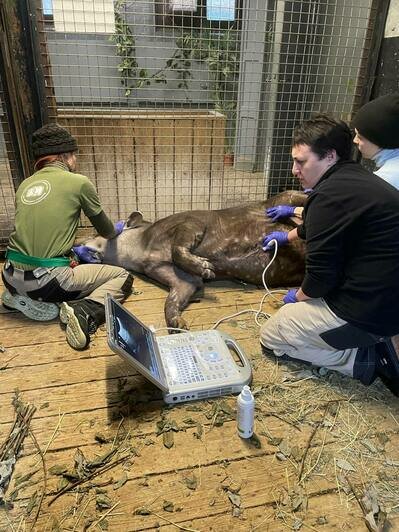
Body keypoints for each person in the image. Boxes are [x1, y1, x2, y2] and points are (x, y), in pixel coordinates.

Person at [259, 114, 399, 395]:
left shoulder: (328, 197)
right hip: (388, 296)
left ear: (330, 156)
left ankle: (363, 360)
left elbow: (320, 280)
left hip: (371, 312)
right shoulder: (355, 178)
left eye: (301, 162)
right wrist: (287, 236)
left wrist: (295, 298)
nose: (294, 170)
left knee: (272, 335)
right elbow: (320, 224)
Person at [1, 123, 133, 351]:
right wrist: (118, 228)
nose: (76, 160)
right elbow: (107, 231)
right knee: (122, 276)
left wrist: (72, 252)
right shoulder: (79, 182)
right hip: (47, 282)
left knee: (62, 262)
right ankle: (85, 311)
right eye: (74, 155)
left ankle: (17, 296)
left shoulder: (24, 185)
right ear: (64, 156)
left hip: (9, 274)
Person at [263, 93, 399, 249]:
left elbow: (329, 217)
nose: (355, 140)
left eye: (360, 137)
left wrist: (291, 221)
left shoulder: (386, 180)